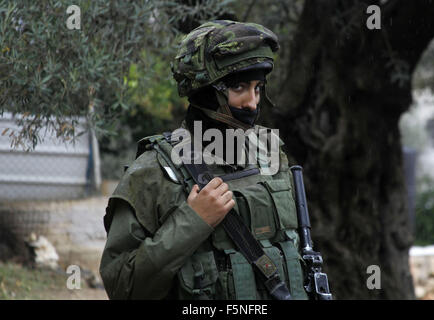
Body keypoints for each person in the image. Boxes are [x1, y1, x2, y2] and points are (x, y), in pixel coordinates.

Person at [99, 20, 309, 300]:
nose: (252, 103)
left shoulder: (269, 153)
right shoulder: (155, 171)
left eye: (258, 88)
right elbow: (123, 286)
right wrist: (192, 221)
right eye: (239, 88)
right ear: (206, 92)